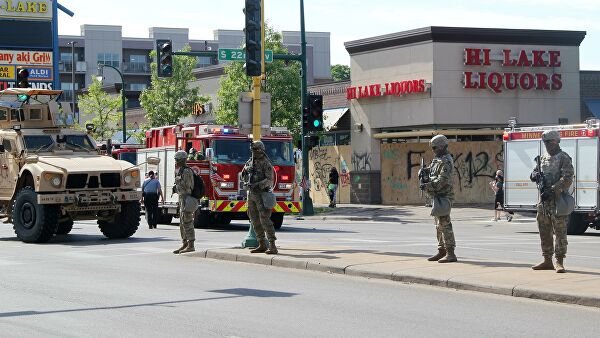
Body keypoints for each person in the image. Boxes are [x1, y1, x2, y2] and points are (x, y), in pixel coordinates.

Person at [529, 130, 574, 273]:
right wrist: (534, 174)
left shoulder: (563, 157)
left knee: (560, 232)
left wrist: (554, 189)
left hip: (557, 200)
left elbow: (567, 178)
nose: (547, 145)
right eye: (545, 143)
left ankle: (559, 261)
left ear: (556, 141)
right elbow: (535, 173)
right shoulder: (542, 158)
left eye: (549, 142)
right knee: (544, 231)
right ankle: (547, 260)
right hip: (543, 202)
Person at [421, 135, 457, 263]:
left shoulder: (446, 160)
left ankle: (450, 252)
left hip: (444, 195)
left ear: (442, 146)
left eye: (435, 147)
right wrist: (424, 171)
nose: (433, 150)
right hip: (437, 195)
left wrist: (427, 186)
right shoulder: (438, 159)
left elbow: (443, 180)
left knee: (445, 224)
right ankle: (442, 250)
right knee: (438, 225)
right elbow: (432, 171)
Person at [241, 141, 278, 254]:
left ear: (260, 150)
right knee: (254, 219)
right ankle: (261, 243)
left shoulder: (265, 163)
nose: (254, 152)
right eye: (253, 150)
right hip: (251, 194)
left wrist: (258, 185)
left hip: (261, 194)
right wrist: (247, 171)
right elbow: (243, 175)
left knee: (265, 219)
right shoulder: (250, 162)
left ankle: (272, 244)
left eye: (256, 149)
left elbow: (269, 180)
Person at [172, 150, 197, 254]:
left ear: (182, 160)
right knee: (182, 223)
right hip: (182, 198)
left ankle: (191, 244)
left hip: (187, 198)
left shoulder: (186, 171)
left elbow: (188, 188)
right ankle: (185, 243)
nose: (175, 162)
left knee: (187, 221)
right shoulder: (181, 170)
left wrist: (177, 184)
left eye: (177, 160)